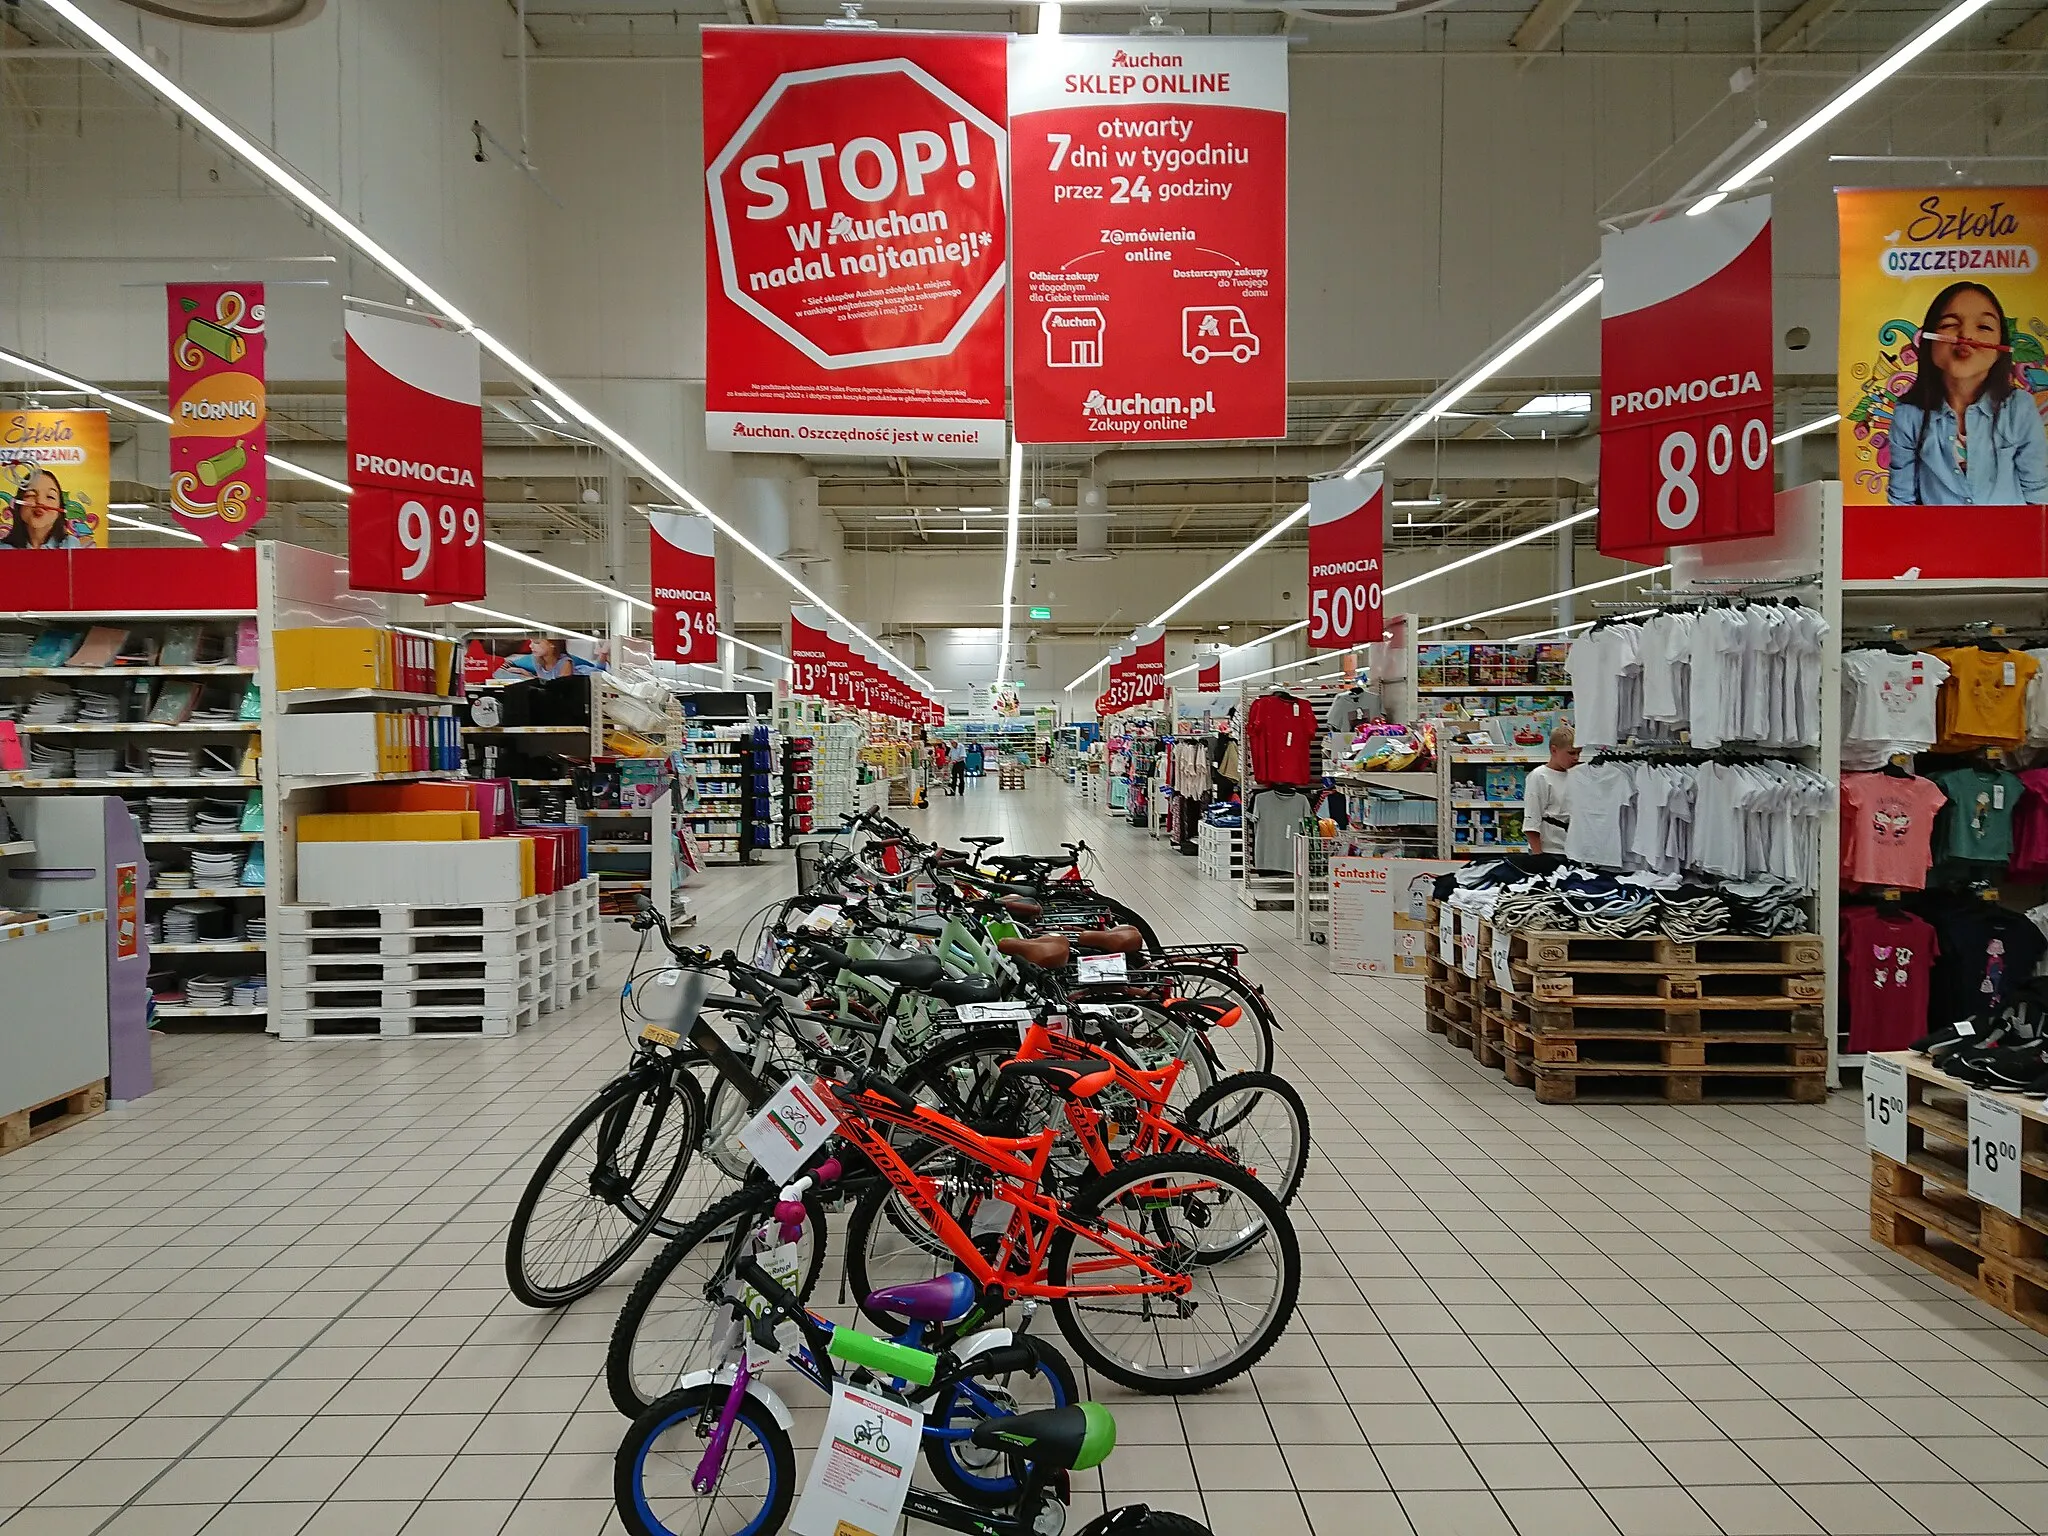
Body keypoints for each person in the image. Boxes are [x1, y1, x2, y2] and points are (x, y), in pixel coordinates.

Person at [1887, 281, 2048, 507]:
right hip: (1937, 541)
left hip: (2007, 540)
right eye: (1949, 324)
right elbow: (1902, 502)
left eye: (1984, 327)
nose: (1966, 336)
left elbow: (2038, 495)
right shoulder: (1908, 415)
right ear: (1928, 339)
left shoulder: (2019, 407)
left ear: (2001, 346)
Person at [1523, 724, 1579, 855]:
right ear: (1554, 750)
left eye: (1579, 752)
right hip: (1549, 851)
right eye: (1571, 753)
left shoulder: (1577, 776)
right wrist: (1539, 857)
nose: (1576, 758)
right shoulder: (1539, 777)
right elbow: (1532, 821)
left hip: (1573, 851)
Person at [3, 468, 83, 549]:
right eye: (31, 495)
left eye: (50, 496)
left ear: (60, 508)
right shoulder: (4, 549)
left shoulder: (70, 545)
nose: (40, 502)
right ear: (18, 505)